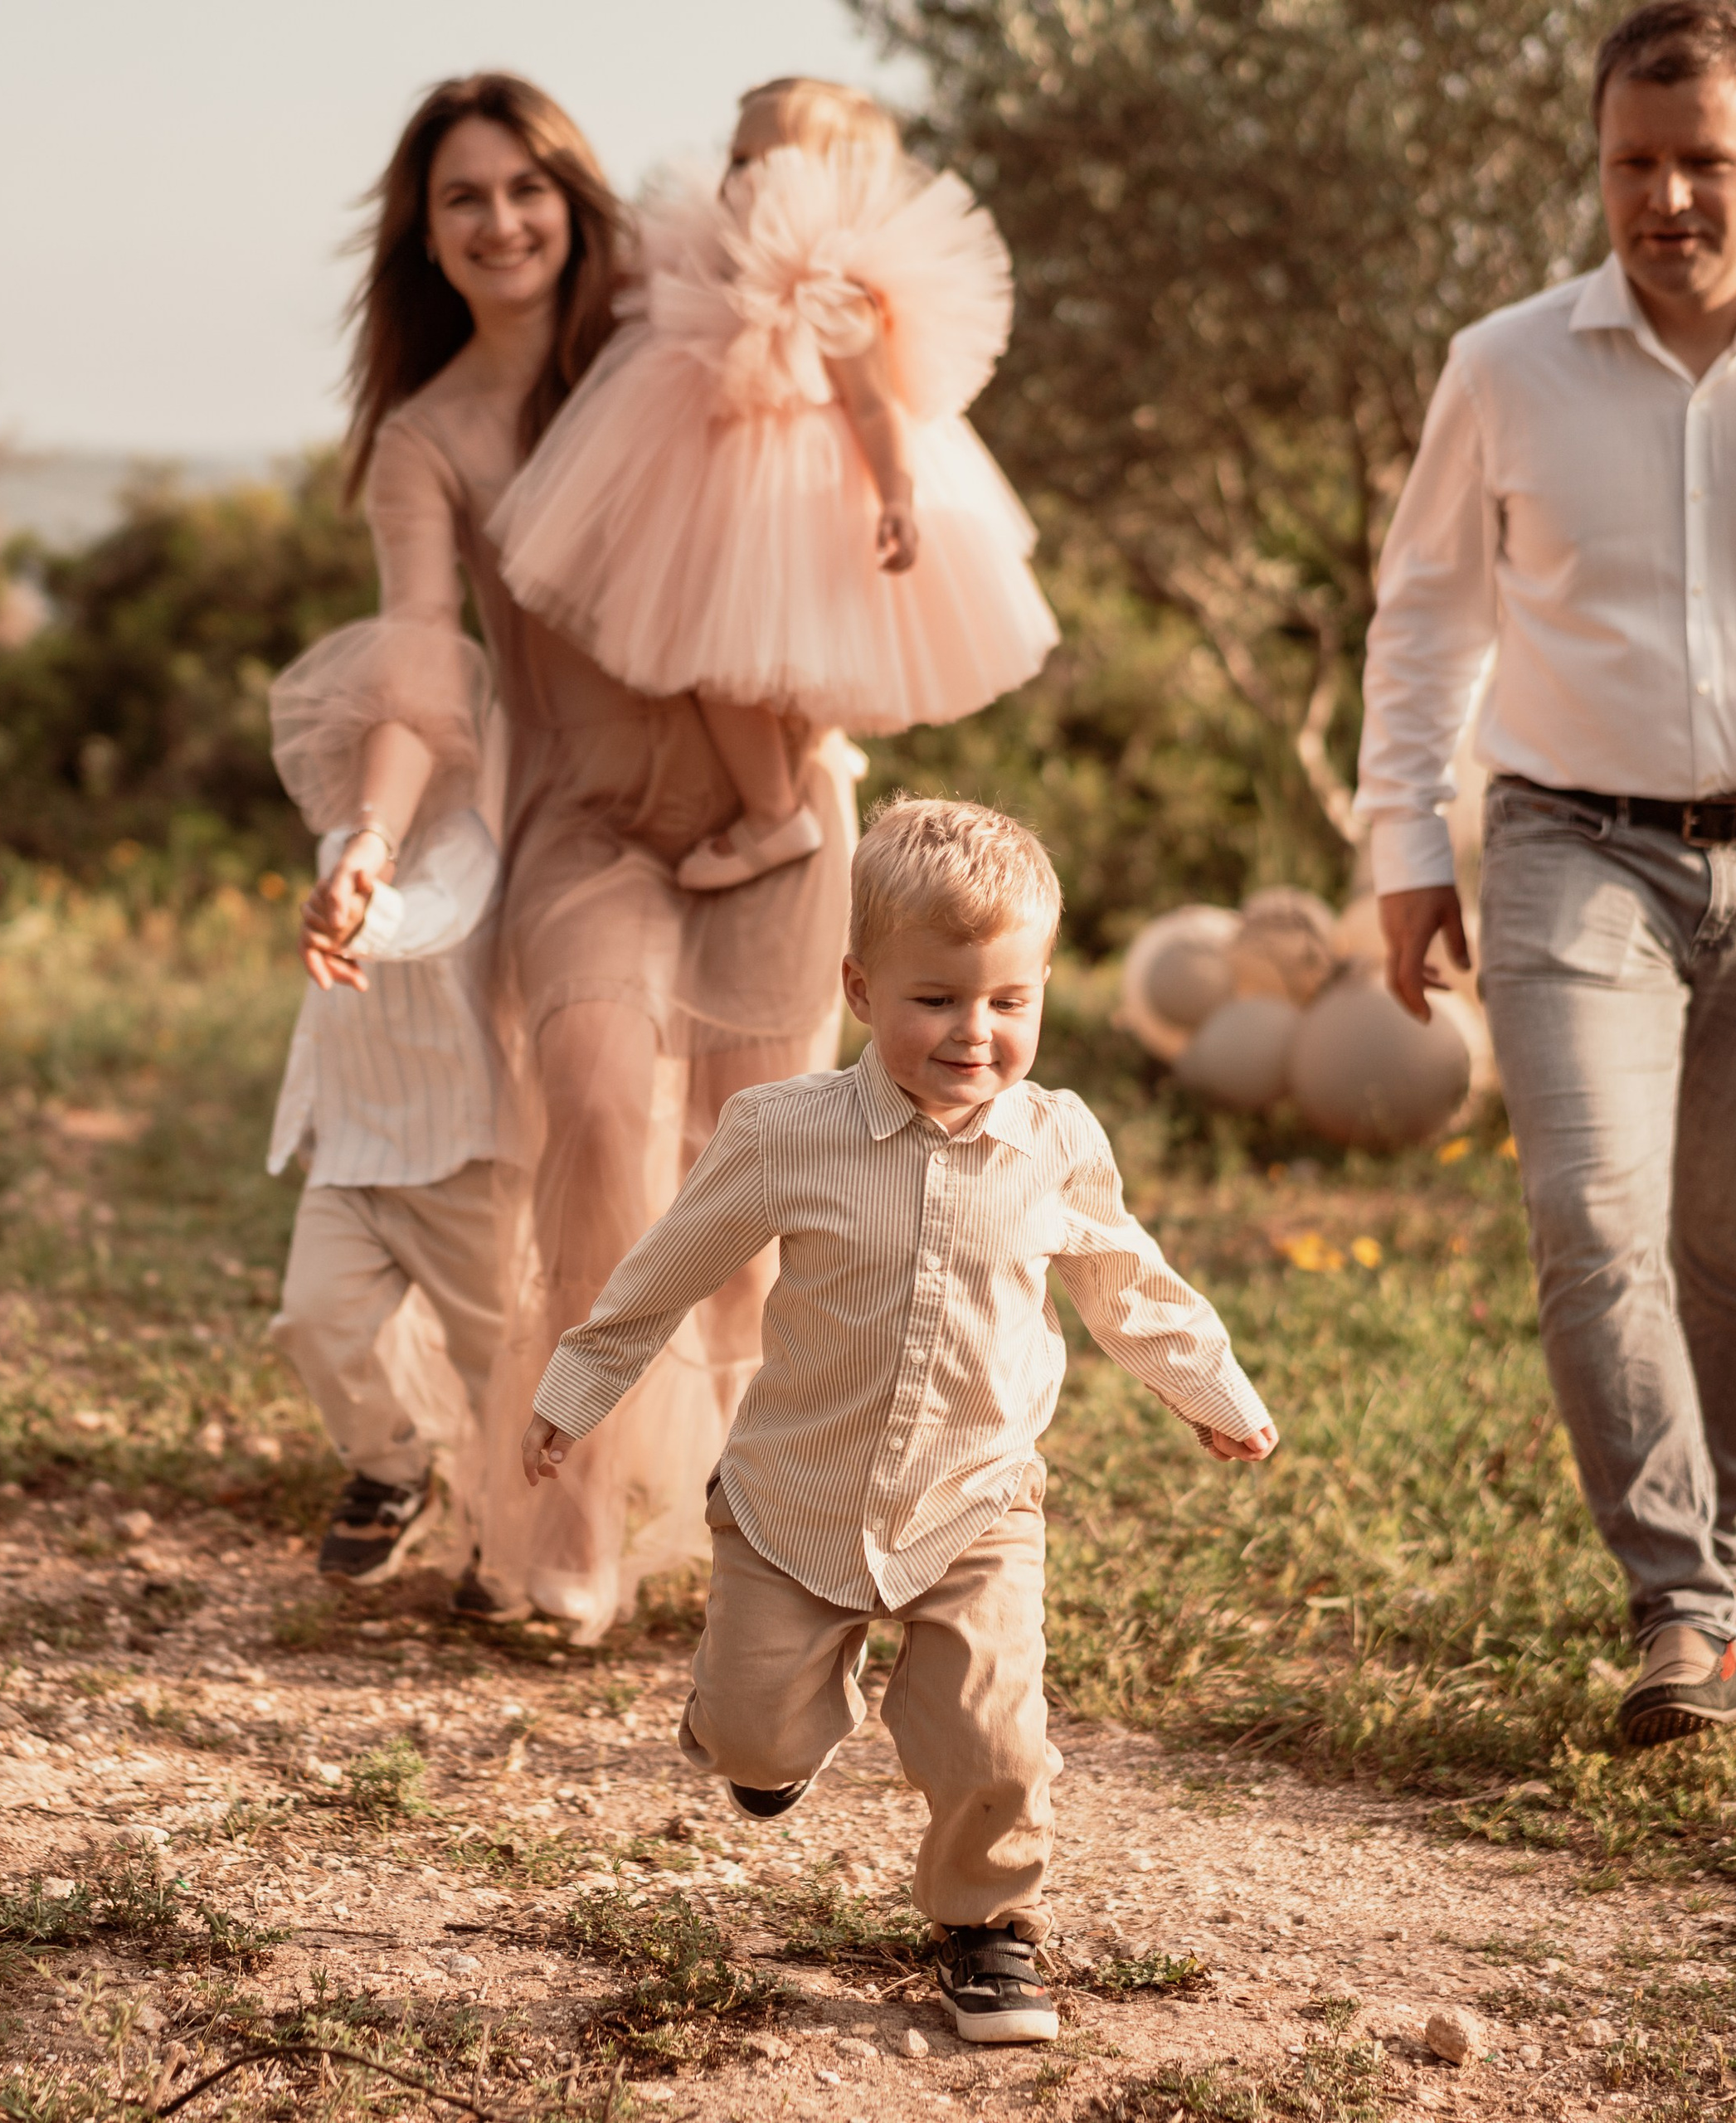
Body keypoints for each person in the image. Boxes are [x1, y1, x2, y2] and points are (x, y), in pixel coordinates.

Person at [522, 799, 1277, 2040]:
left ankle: (988, 1933)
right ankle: (767, 1734)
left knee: (995, 1739)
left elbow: (1125, 1282)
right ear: (861, 989)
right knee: (753, 1738)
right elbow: (667, 1269)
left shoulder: (1057, 1142)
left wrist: (1214, 1391)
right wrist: (575, 1392)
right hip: (794, 1503)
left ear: (1041, 992)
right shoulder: (784, 1133)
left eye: (1009, 1002)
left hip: (976, 1502)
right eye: (937, 1000)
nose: (974, 1034)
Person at [301, 74, 856, 1635]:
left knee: (761, 1173)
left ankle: (770, 1529)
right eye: (463, 198)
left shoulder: (660, 335)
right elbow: (419, 664)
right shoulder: (431, 439)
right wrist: (371, 837)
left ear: (575, 197)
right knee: (603, 1131)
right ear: (425, 234)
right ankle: (576, 1512)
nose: (501, 222)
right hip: (582, 828)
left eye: (527, 188)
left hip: (782, 806)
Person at [1356, 0, 1736, 1745]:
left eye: (1704, 161)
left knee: (1719, 1243)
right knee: (1593, 1219)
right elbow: (1423, 611)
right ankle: (1678, 1603)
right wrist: (1401, 841)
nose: (1664, 199)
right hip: (1569, 841)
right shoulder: (1500, 364)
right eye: (1631, 165)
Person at [492, 77, 1057, 891]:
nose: (743, 177)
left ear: (838, 177)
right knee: (718, 646)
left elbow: (877, 406)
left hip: (794, 501)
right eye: (737, 156)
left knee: (738, 650)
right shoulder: (703, 251)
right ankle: (784, 784)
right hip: (717, 486)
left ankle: (773, 812)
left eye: (772, 160)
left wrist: (897, 496)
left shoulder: (837, 288)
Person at [262, 620, 505, 1584]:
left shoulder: (474, 841)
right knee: (314, 1318)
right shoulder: (345, 836)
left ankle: (512, 1511)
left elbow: (436, 916)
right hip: (356, 1145)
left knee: (499, 1353)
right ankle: (389, 1465)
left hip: (462, 1153)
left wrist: (365, 913)